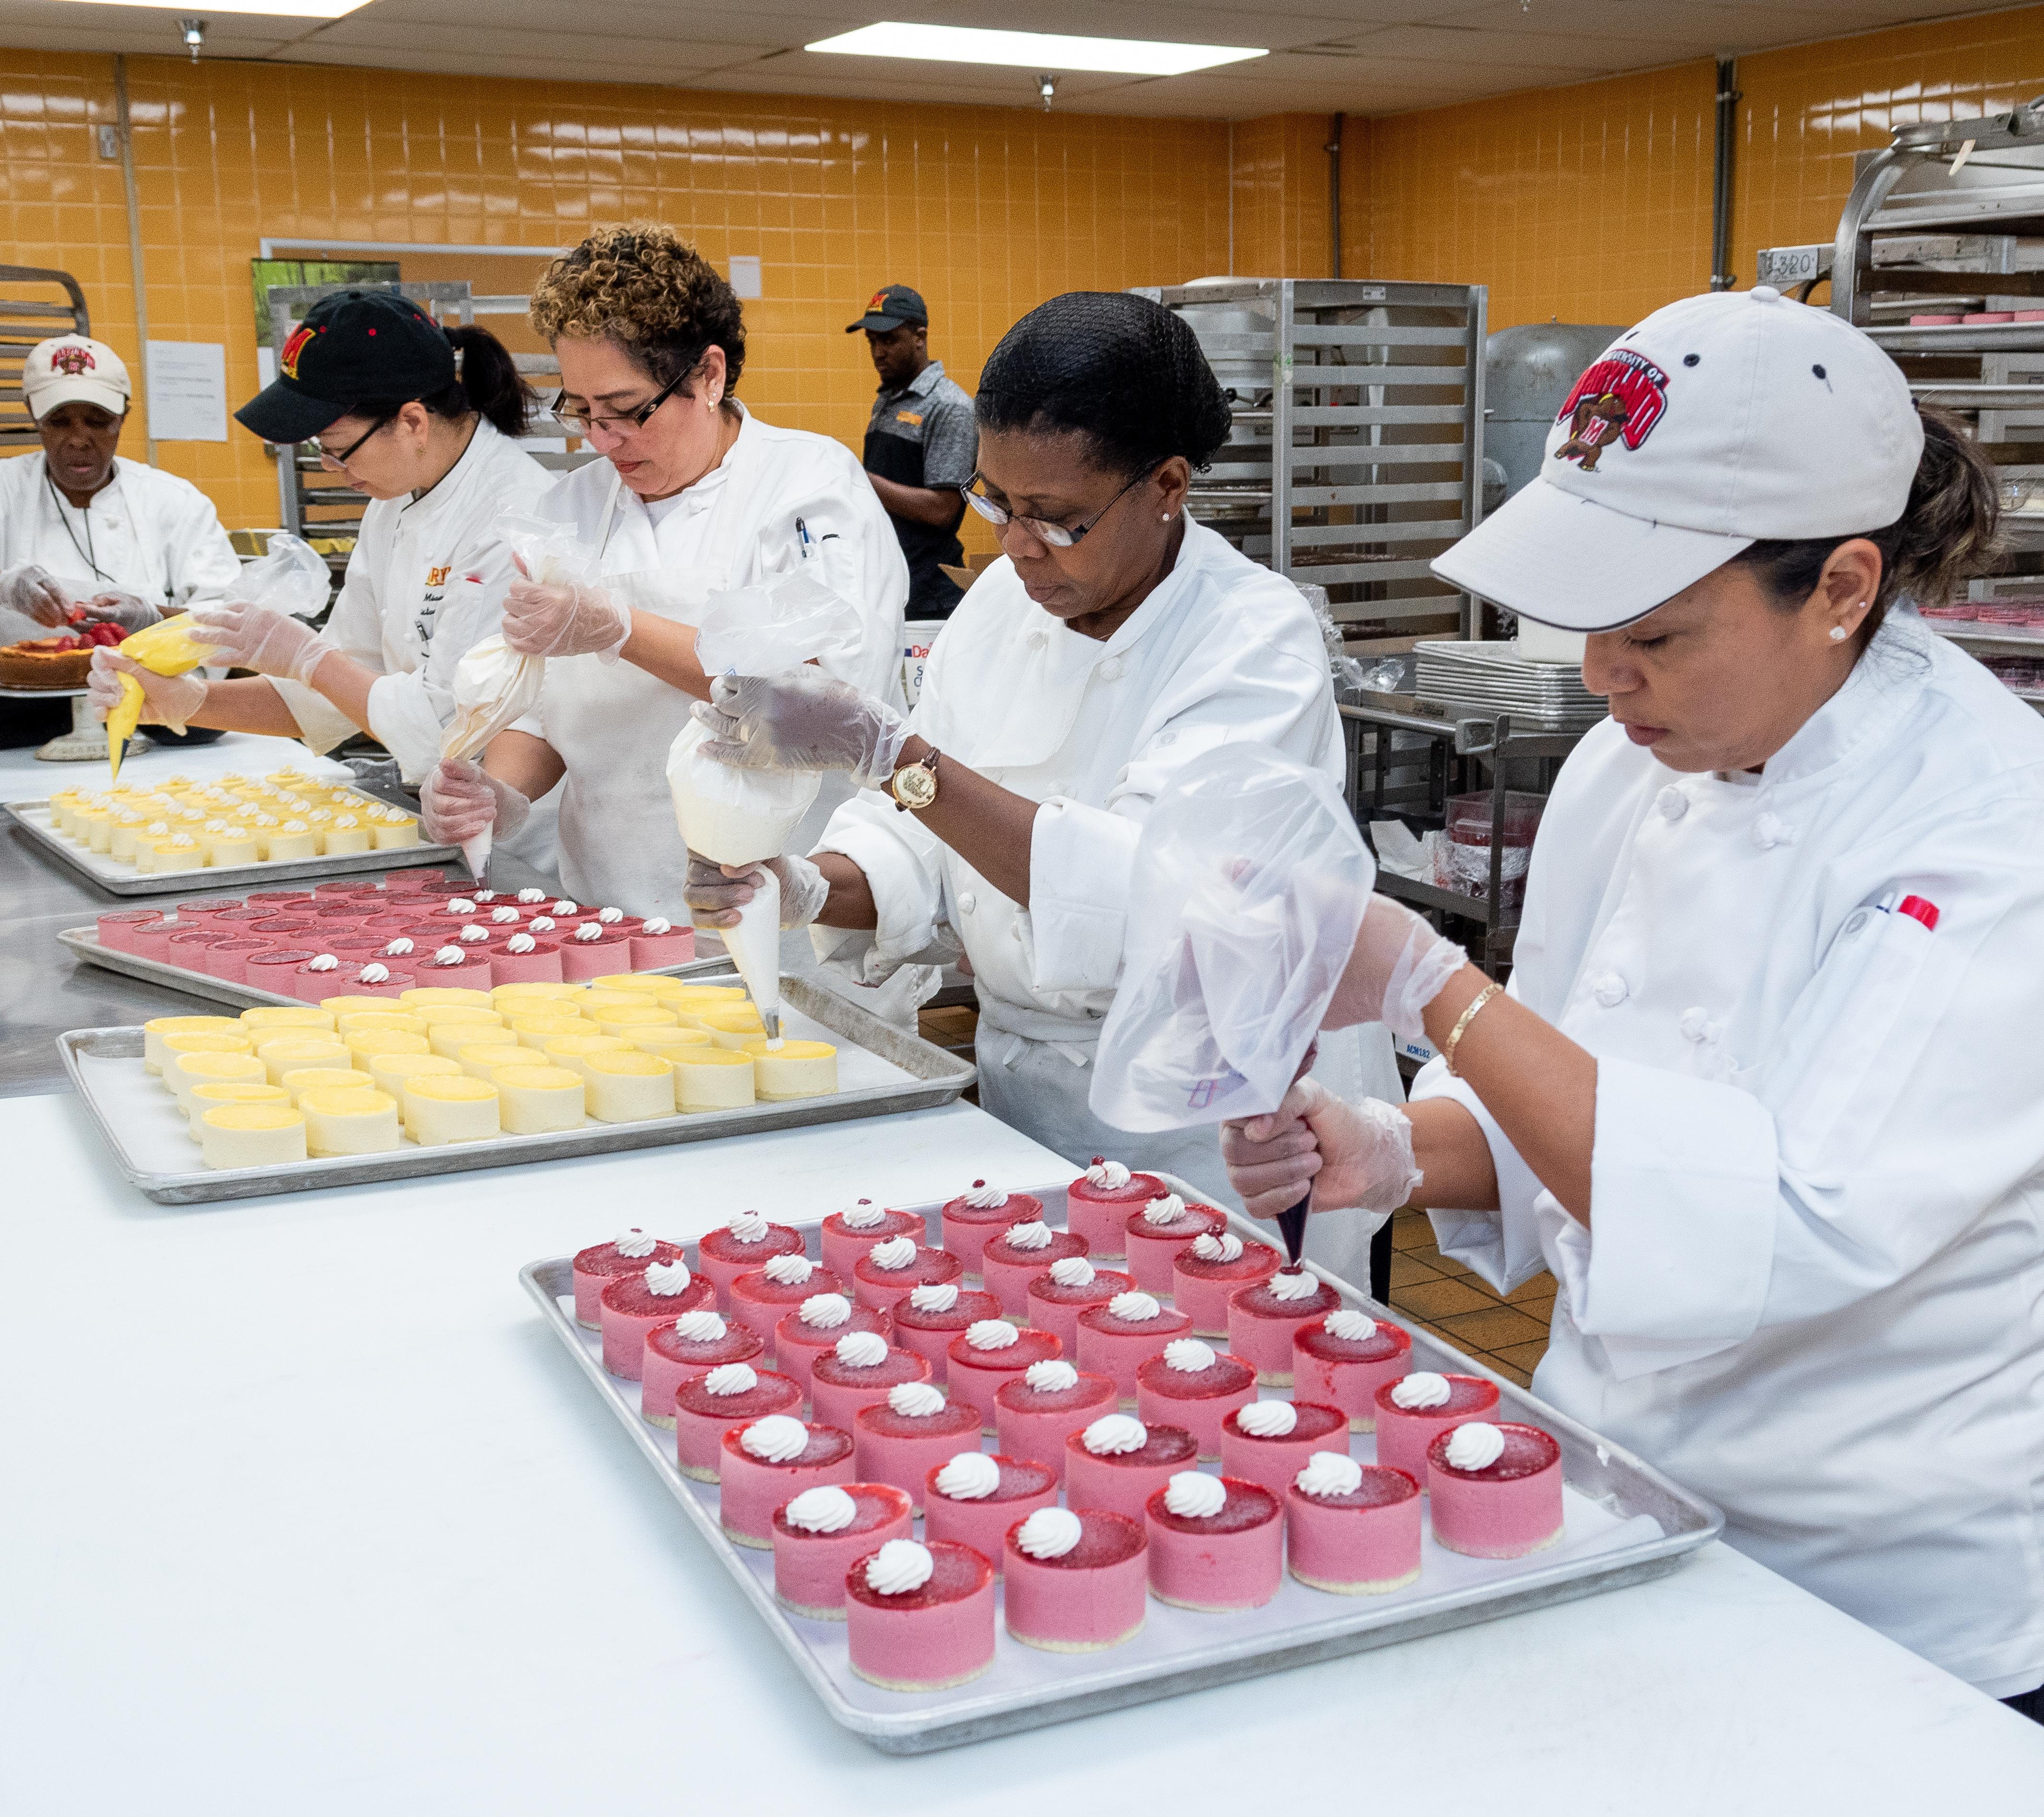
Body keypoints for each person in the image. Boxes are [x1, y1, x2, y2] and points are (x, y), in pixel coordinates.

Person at [1217, 289, 2044, 1748]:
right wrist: (1397, 1149)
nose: (1601, 677)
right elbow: (1591, 1101)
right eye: (1589, 628)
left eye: (1653, 632)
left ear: (1841, 586)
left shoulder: (2000, 837)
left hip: (1911, 1584)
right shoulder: (1625, 770)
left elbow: (1783, 1220)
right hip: (1628, 1488)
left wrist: (1426, 983)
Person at [682, 289, 1402, 1281]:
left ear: (1167, 485)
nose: (1017, 543)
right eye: (996, 503)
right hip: (1032, 1099)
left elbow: (1141, 903)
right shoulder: (1001, 609)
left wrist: (895, 758)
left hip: (1214, 1127)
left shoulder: (1250, 642)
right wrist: (812, 881)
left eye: (1056, 518)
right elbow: (926, 843)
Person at [416, 224, 904, 920]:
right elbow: (548, 710)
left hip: (779, 910)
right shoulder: (570, 509)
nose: (602, 439)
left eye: (625, 410)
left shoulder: (806, 489)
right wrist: (500, 796)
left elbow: (827, 699)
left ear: (709, 375)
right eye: (581, 411)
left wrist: (618, 629)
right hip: (610, 910)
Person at [81, 289, 554, 781]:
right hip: (443, 807)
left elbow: (445, 728)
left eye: (339, 449)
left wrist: (309, 658)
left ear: (413, 421)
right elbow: (339, 694)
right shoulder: (393, 502)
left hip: (514, 833)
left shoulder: (514, 518)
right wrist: (189, 702)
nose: (332, 469)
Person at [0, 335, 239, 659]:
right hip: (22, 705)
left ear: (123, 416)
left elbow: (232, 622)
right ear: (34, 416)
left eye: (98, 421)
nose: (79, 439)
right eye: (59, 422)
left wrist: (153, 618)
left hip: (155, 701)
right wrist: (3, 586)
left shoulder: (176, 503)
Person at [849, 285, 975, 621]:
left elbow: (942, 510)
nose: (878, 352)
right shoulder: (888, 400)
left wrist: (858, 479)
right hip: (889, 585)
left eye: (889, 340)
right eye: (872, 342)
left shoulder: (950, 407)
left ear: (920, 336)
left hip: (931, 596)